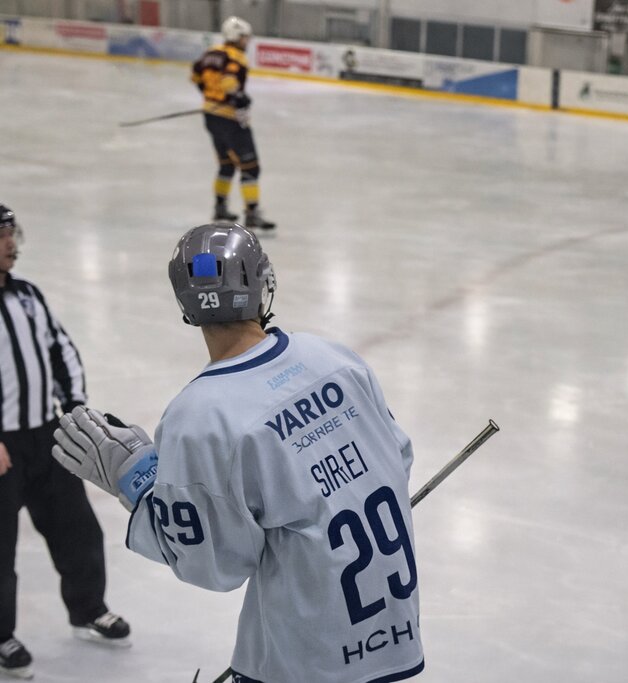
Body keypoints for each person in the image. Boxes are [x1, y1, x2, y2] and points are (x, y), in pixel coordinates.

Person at [52, 224, 423, 683]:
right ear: (261, 283)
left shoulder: (199, 417)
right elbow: (397, 458)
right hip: (393, 637)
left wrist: (139, 483)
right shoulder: (335, 359)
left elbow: (216, 564)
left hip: (301, 663)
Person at [0, 204, 130, 679]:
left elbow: (61, 349)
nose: (11, 243)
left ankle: (88, 609)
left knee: (77, 530)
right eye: (2, 235)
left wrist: (73, 407)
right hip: (1, 449)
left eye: (12, 232)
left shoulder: (28, 295)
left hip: (45, 436)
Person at [192, 16, 276, 231]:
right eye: (245, 38)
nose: (247, 42)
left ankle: (220, 207)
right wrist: (238, 98)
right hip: (229, 119)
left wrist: (210, 97)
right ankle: (252, 213)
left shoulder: (211, 52)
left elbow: (195, 75)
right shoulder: (236, 57)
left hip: (210, 116)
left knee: (226, 164)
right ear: (236, 37)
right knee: (250, 167)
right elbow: (229, 81)